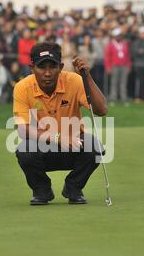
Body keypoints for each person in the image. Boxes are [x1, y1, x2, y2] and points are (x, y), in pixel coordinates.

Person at [13, 42, 108, 205]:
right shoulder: (23, 87)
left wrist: (87, 76)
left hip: (74, 145)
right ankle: (42, 190)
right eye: (42, 67)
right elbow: (22, 130)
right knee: (24, 150)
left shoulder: (75, 81)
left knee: (95, 147)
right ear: (32, 67)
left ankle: (73, 187)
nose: (48, 73)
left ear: (61, 67)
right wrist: (58, 137)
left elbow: (101, 109)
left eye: (53, 67)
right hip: (43, 146)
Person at [104, 28, 131, 104]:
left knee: (123, 82)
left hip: (124, 65)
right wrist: (108, 67)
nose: (119, 37)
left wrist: (129, 66)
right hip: (114, 66)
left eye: (120, 35)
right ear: (114, 36)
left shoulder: (124, 44)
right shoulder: (111, 45)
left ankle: (123, 98)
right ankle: (113, 98)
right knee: (114, 82)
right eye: (117, 35)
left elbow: (128, 56)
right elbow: (107, 57)